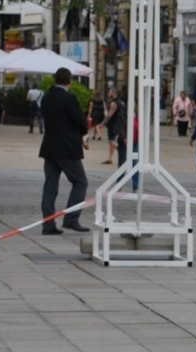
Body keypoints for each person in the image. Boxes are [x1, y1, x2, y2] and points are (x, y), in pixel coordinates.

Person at [39, 68, 90, 235]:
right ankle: (71, 219)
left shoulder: (46, 98)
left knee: (50, 185)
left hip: (49, 147)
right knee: (80, 181)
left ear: (55, 80)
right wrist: (83, 133)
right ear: (70, 81)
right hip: (67, 148)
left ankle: (48, 224)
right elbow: (80, 121)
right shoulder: (69, 99)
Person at [102, 88, 125, 165]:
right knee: (112, 141)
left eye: (109, 93)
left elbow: (110, 114)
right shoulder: (120, 102)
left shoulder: (114, 103)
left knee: (111, 141)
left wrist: (103, 123)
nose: (108, 94)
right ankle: (109, 158)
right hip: (118, 124)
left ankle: (124, 152)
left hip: (113, 124)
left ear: (113, 93)